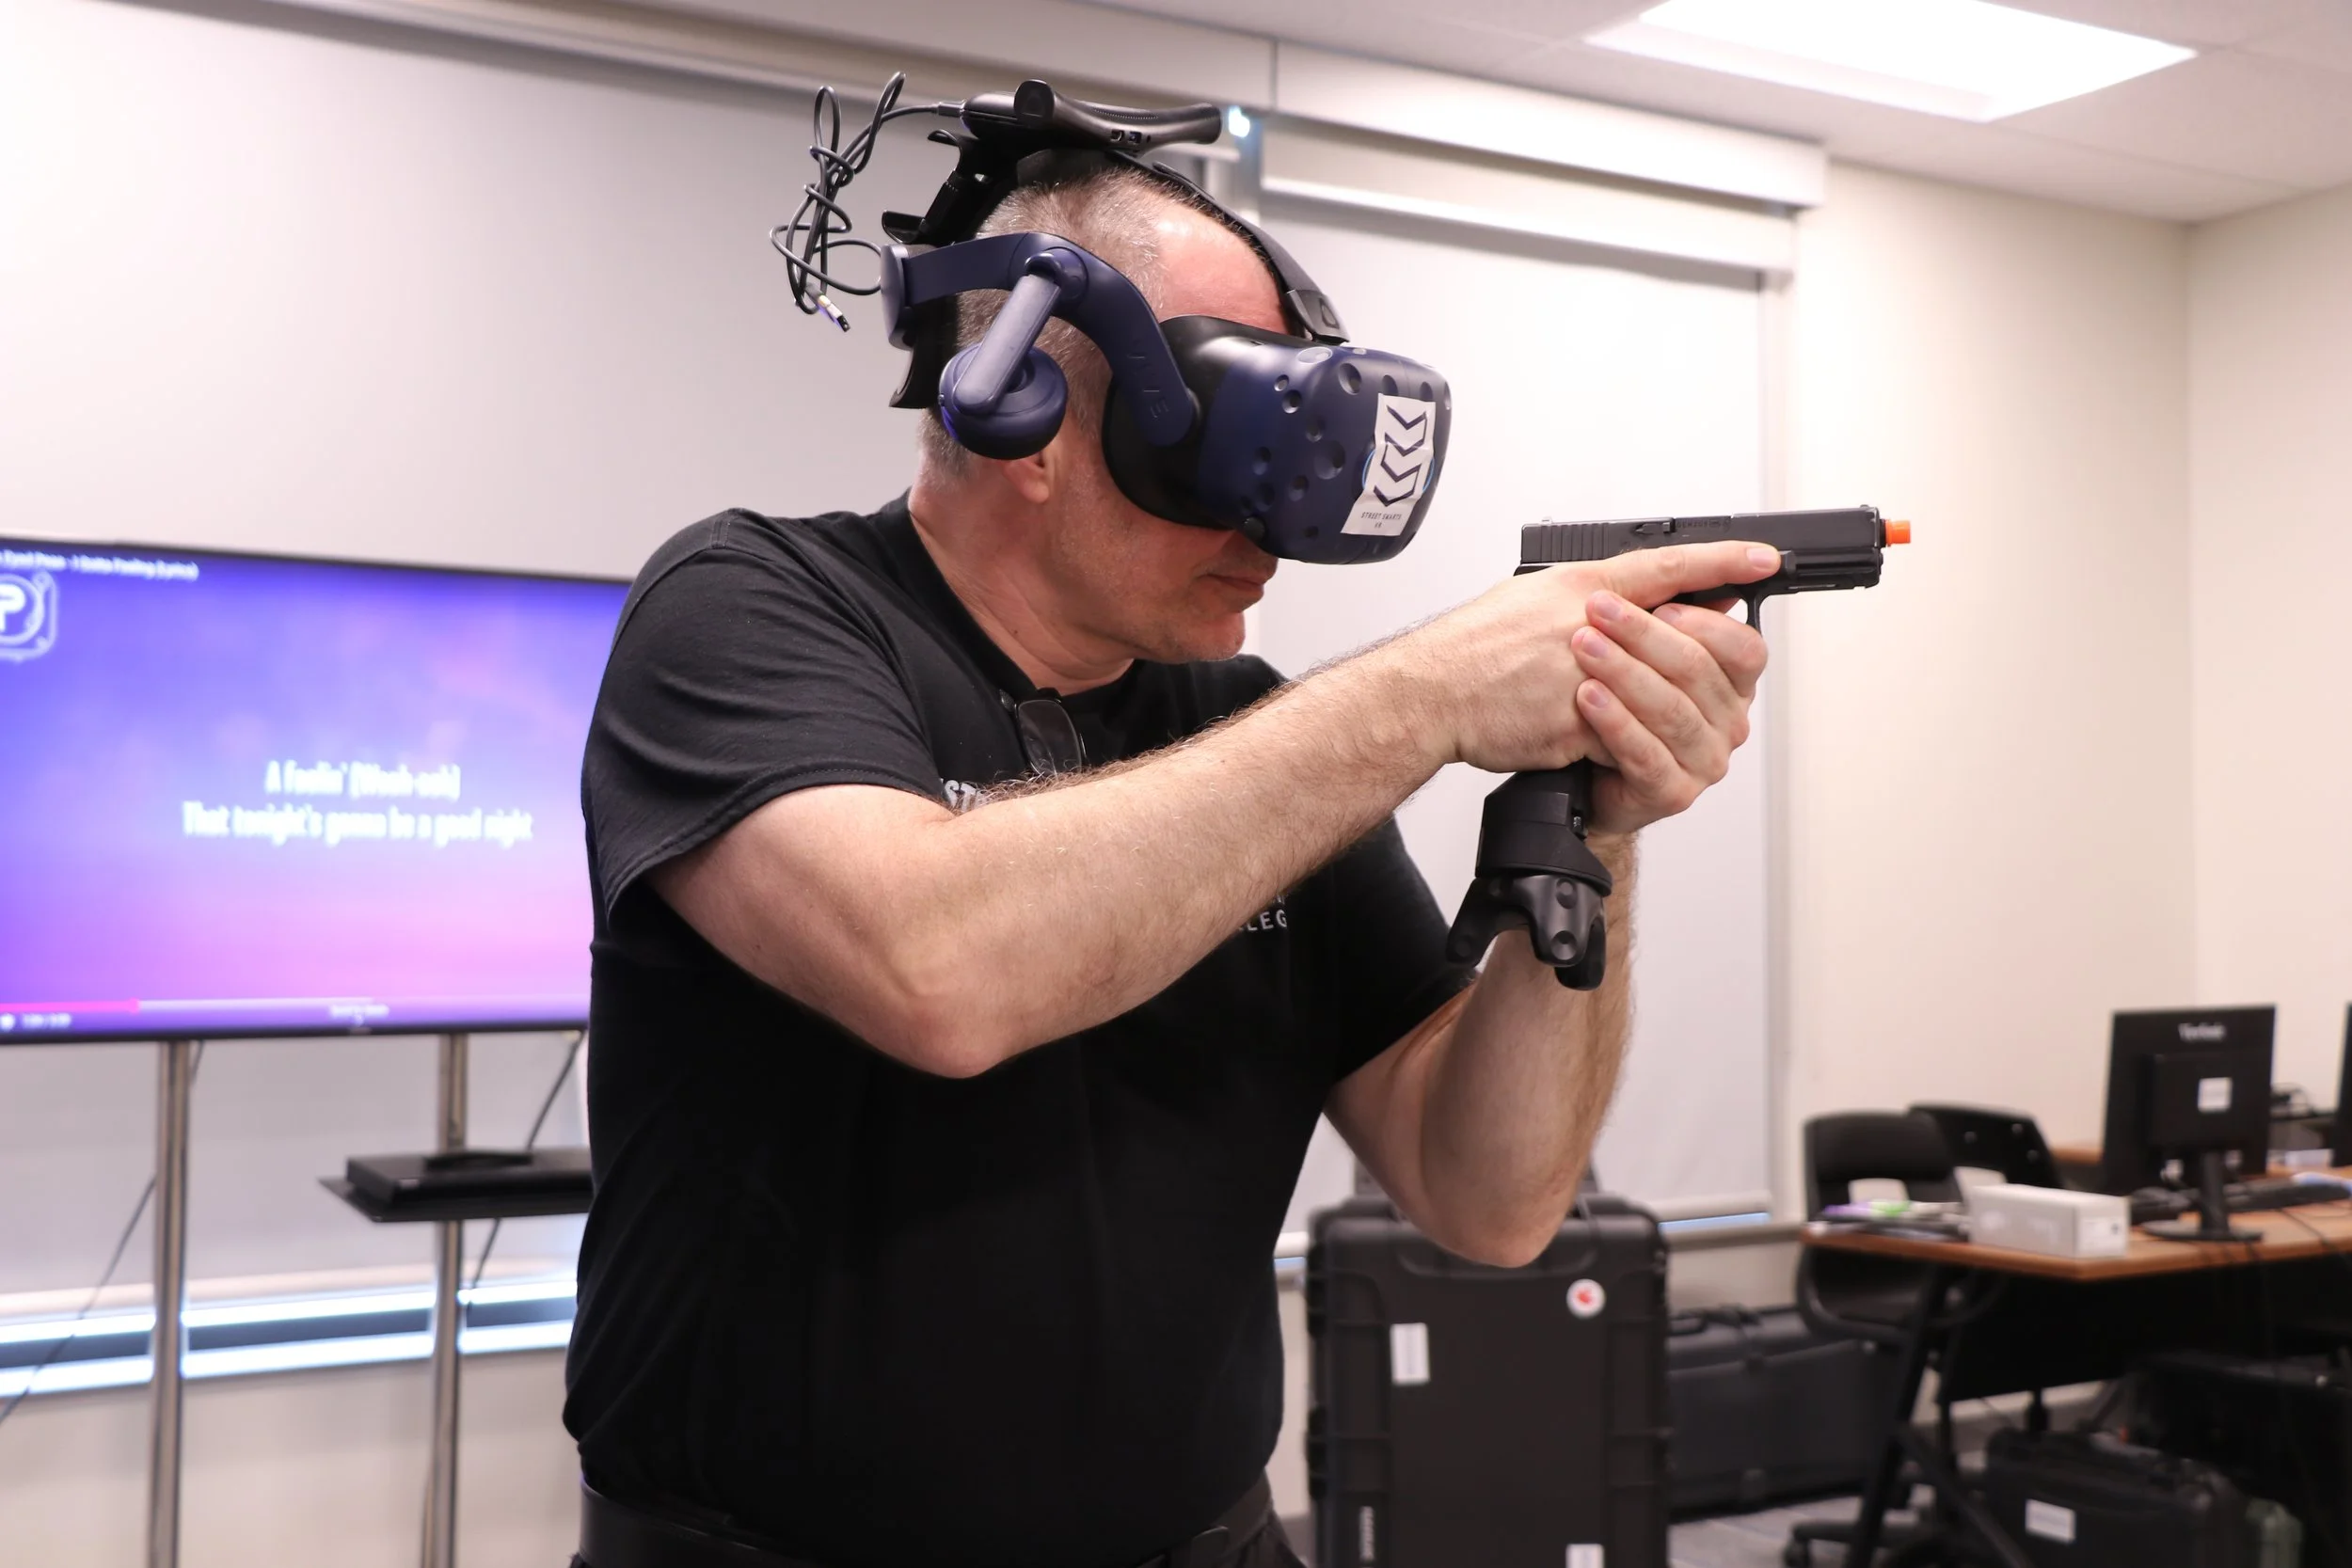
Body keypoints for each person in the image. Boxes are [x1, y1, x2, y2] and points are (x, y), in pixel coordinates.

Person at [564, 161, 1773, 1568]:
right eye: (1231, 441)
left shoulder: (1248, 734)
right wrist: (1425, 692)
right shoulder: (752, 610)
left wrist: (1596, 820)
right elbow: (938, 965)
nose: (1272, 525)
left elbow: (1490, 1193)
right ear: (1026, 413)